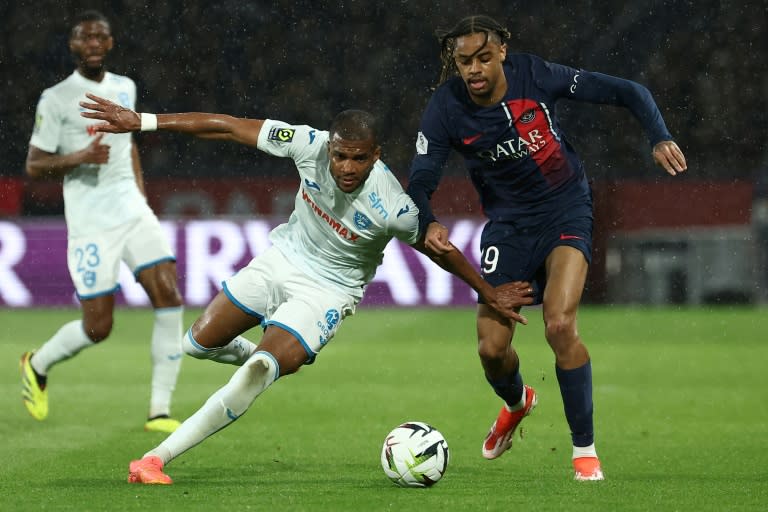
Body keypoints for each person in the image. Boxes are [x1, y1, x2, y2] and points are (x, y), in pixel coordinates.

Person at [79, 93, 536, 484]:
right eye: (340, 155)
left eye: (359, 158)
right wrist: (145, 121)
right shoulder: (308, 144)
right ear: (331, 146)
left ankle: (157, 458)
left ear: (376, 154)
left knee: (258, 371)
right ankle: (261, 358)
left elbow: (440, 249)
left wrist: (487, 291)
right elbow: (230, 128)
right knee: (196, 343)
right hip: (281, 259)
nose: (346, 166)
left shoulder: (395, 205)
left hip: (328, 293)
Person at [406, 15, 688, 481]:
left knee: (559, 323)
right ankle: (517, 403)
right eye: (463, 61)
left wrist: (658, 135)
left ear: (501, 52)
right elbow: (420, 179)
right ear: (454, 63)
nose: (473, 69)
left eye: (482, 58)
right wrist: (429, 219)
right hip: (508, 228)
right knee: (491, 350)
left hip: (565, 210)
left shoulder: (535, 76)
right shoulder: (446, 107)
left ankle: (584, 451)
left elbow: (629, 91)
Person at [20, 10, 184, 433]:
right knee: (98, 326)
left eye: (100, 37)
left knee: (169, 295)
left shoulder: (125, 88)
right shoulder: (56, 98)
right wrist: (79, 157)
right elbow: (35, 166)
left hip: (131, 210)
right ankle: (37, 364)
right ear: (73, 45)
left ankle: (159, 411)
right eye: (84, 37)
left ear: (110, 44)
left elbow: (128, 145)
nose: (93, 44)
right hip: (91, 221)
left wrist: (141, 198)